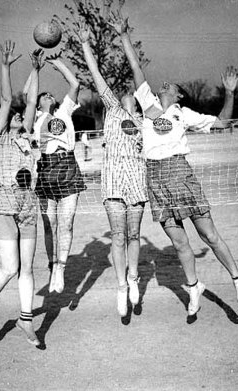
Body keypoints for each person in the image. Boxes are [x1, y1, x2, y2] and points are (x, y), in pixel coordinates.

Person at [114, 14, 238, 316]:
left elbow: (224, 123)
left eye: (170, 85)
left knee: (208, 234)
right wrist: (124, 36)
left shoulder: (183, 113)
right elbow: (137, 68)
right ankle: (194, 287)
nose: (163, 84)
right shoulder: (148, 107)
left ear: (178, 95)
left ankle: (237, 279)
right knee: (178, 242)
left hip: (180, 173)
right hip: (155, 178)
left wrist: (229, 93)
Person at [76, 21, 148, 317]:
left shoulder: (147, 124)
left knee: (133, 235)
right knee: (118, 237)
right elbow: (96, 76)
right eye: (124, 92)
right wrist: (84, 44)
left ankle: (133, 278)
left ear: (139, 101)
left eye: (132, 92)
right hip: (114, 184)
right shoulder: (114, 112)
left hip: (138, 184)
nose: (127, 92)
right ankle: (121, 286)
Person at [0, 40, 43, 346]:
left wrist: (34, 69)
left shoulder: (28, 136)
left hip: (30, 205)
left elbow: (30, 103)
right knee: (10, 268)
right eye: (14, 115)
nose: (19, 115)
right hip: (5, 203)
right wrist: (6, 66)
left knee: (28, 268)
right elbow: (7, 98)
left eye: (20, 116)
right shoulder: (1, 137)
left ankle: (26, 321)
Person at [32, 52, 86, 294]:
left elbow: (75, 83)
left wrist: (57, 64)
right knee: (49, 223)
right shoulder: (33, 118)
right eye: (43, 95)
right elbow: (27, 94)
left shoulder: (64, 111)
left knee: (66, 222)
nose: (48, 95)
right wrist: (36, 69)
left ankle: (60, 269)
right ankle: (52, 264)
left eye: (49, 93)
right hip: (45, 169)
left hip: (67, 167)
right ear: (37, 102)